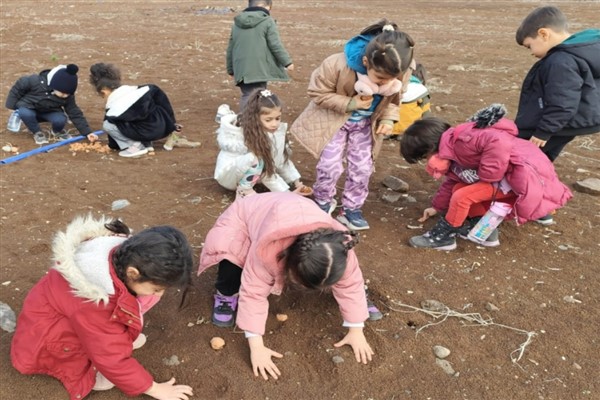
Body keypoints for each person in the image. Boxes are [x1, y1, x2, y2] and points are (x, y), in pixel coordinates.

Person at [198, 192, 381, 380]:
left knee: (347, 282)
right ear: (288, 262)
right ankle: (226, 293)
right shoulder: (266, 251)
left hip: (291, 212)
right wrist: (257, 347)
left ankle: (358, 303)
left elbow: (351, 283)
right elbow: (253, 294)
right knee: (233, 258)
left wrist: (356, 328)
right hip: (244, 219)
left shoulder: (340, 246)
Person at [10, 215, 194, 400]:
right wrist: (154, 388)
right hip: (47, 344)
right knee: (106, 362)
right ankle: (88, 374)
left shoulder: (120, 251)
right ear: (132, 273)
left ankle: (116, 340)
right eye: (157, 288)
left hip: (55, 319)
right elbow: (111, 359)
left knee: (113, 331)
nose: (159, 294)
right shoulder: (95, 304)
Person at [290, 19, 415, 231]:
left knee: (362, 168)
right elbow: (317, 93)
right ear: (366, 62)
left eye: (390, 79)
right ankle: (323, 201)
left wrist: (387, 118)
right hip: (334, 121)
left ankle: (351, 208)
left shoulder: (399, 71)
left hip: (366, 124)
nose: (384, 84)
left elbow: (395, 99)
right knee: (329, 165)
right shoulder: (336, 64)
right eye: (380, 78)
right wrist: (350, 103)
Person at [399, 104, 573, 250]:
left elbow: (498, 141)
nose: (428, 163)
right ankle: (486, 232)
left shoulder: (464, 141)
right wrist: (436, 207)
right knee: (459, 188)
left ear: (431, 148)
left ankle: (443, 237)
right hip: (504, 180)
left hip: (518, 179)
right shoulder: (452, 156)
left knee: (462, 196)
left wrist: (488, 175)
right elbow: (453, 181)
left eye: (425, 158)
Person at [515, 6, 600, 163]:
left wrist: (543, 132)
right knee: (542, 157)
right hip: (571, 121)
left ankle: (528, 183)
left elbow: (563, 102)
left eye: (529, 46)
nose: (532, 53)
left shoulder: (561, 61)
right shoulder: (581, 49)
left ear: (543, 34)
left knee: (522, 156)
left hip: (560, 123)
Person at [214, 89, 311, 199]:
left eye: (278, 118)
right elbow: (266, 172)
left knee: (260, 158)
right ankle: (244, 191)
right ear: (255, 118)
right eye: (268, 120)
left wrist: (296, 182)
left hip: (249, 173)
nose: (275, 124)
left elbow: (281, 160)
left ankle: (248, 186)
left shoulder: (274, 133)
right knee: (256, 158)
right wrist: (287, 194)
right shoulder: (247, 136)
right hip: (229, 175)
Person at [88, 63, 200, 158]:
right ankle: (152, 142)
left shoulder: (112, 110)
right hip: (162, 128)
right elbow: (164, 104)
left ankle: (135, 147)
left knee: (108, 125)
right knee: (140, 117)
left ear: (104, 91)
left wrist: (114, 146)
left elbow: (112, 131)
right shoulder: (147, 88)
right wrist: (172, 126)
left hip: (146, 132)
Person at [226, 0, 294, 111]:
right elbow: (275, 44)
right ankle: (248, 122)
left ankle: (247, 121)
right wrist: (287, 62)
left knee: (247, 93)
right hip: (259, 66)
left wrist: (230, 69)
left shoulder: (236, 23)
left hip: (241, 67)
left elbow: (230, 48)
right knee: (256, 94)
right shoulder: (267, 21)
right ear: (267, 6)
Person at [5, 64, 92, 145]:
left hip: (50, 111)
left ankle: (57, 131)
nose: (65, 95)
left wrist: (87, 132)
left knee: (61, 119)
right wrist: (11, 106)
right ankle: (37, 132)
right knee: (24, 113)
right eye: (62, 92)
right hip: (29, 108)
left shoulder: (68, 95)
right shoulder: (34, 81)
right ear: (54, 85)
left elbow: (74, 112)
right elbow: (17, 89)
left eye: (68, 94)